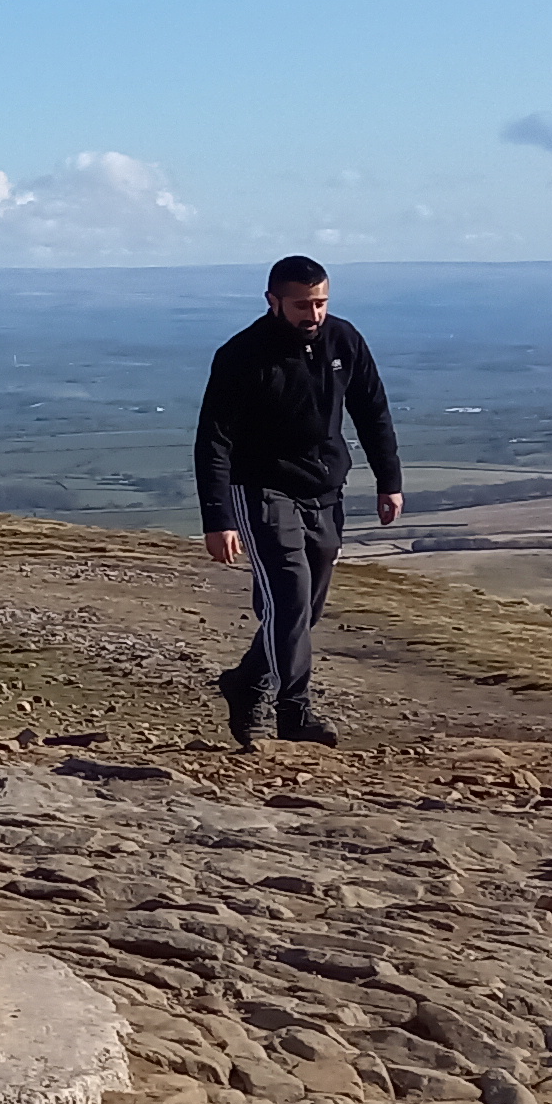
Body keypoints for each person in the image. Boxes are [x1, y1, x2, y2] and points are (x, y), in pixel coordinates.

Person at [193, 254, 402, 748]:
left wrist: (388, 480)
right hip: (262, 490)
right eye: (302, 305)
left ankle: (246, 682)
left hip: (325, 489)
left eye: (321, 302)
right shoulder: (242, 355)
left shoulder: (344, 340)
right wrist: (218, 518)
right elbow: (214, 439)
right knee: (288, 599)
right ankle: (293, 710)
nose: (314, 315)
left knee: (307, 610)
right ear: (273, 302)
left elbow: (373, 411)